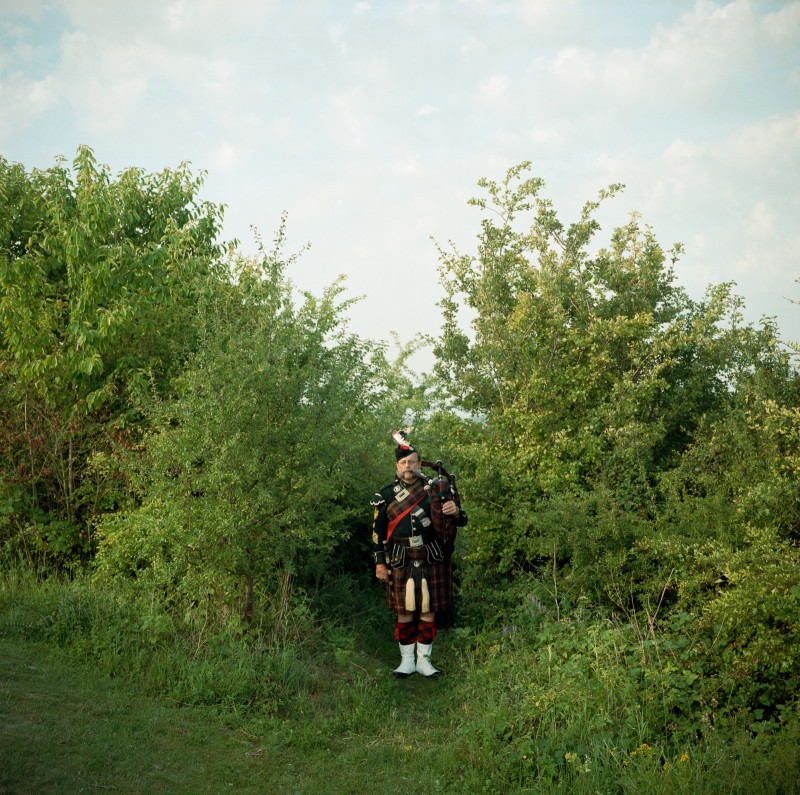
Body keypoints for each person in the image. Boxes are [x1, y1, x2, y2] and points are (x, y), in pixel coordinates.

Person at [371, 435, 467, 677]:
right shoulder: (386, 495)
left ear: (419, 463)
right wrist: (380, 563)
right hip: (400, 557)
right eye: (403, 463)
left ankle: (424, 662)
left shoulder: (434, 490)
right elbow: (377, 532)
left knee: (427, 609)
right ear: (396, 466)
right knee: (404, 611)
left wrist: (455, 511)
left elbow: (462, 520)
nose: (408, 467)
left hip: (430, 555)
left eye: (412, 462)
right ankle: (407, 662)